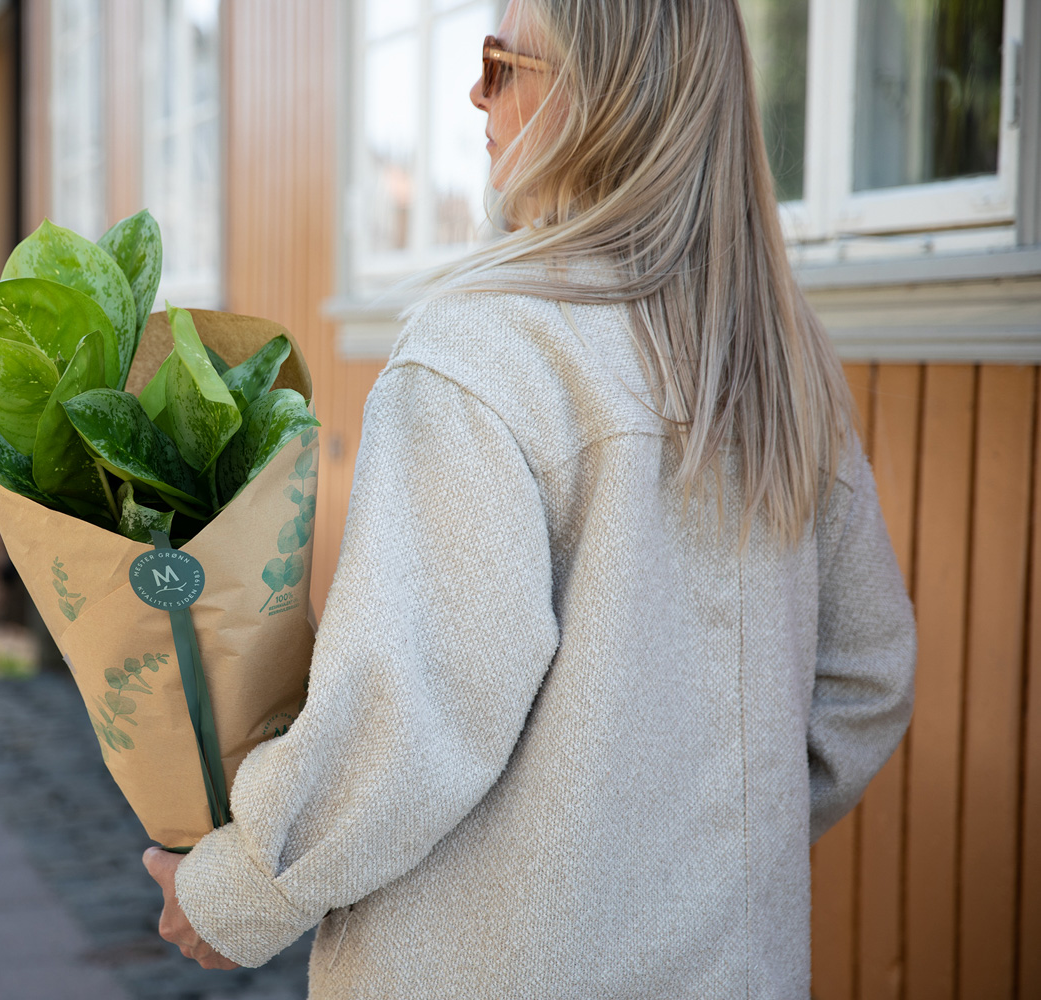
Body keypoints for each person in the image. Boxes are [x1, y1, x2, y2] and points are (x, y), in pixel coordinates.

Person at [143, 0, 917, 995]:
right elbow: (866, 680)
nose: (478, 92)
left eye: (501, 63)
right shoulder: (778, 360)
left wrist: (241, 888)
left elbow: (407, 714)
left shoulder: (485, 347)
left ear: (598, 97)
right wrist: (698, 859)